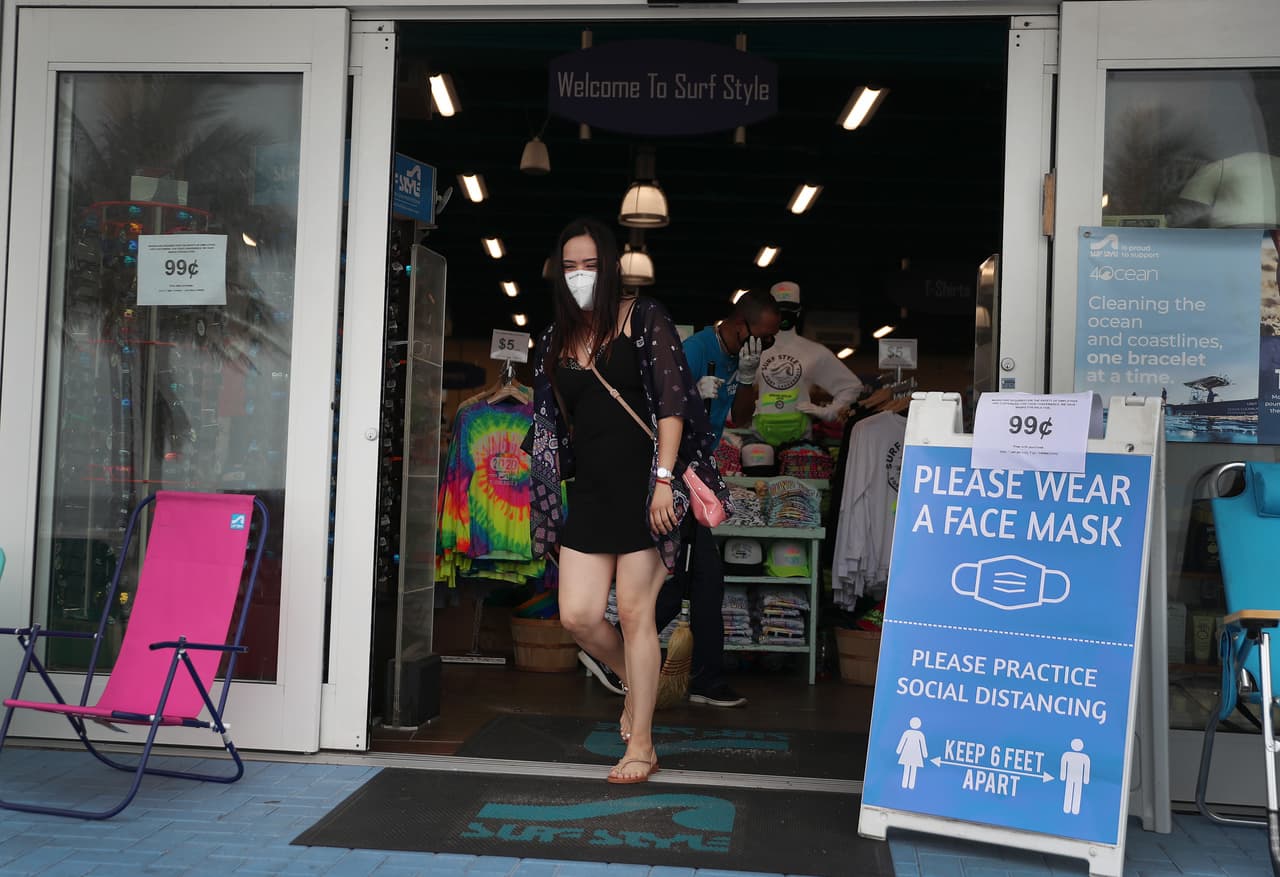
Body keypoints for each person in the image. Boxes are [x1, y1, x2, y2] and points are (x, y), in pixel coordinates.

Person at [525, 217, 722, 784]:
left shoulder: (644, 318)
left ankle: (642, 746)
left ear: (609, 267)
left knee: (636, 616)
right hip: (590, 494)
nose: (580, 275)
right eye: (569, 266)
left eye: (590, 264)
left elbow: (673, 403)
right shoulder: (554, 340)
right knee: (579, 616)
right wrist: (540, 491)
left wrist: (664, 479)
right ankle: (643, 686)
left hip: (646, 492)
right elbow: (547, 423)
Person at [652, 289, 781, 707]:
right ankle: (615, 649)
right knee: (688, 580)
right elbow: (657, 409)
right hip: (675, 476)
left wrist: (746, 378)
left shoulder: (743, 357)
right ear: (741, 325)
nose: (766, 345)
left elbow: (741, 417)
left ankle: (704, 678)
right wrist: (690, 391)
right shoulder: (695, 349)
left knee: (701, 582)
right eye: (764, 336)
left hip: (700, 477)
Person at [751, 281, 863, 445]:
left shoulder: (815, 352)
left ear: (798, 311)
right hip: (759, 435)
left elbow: (851, 386)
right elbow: (732, 385)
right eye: (779, 308)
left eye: (790, 307)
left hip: (800, 437)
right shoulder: (755, 349)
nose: (785, 313)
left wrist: (829, 412)